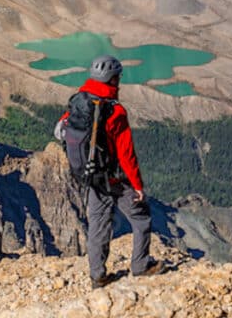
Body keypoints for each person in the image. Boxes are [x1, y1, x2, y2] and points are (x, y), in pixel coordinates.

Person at [60, 54, 163, 287]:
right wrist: (137, 186)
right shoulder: (115, 112)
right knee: (141, 218)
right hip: (115, 179)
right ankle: (140, 266)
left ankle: (98, 276)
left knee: (97, 226)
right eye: (118, 78)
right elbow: (126, 154)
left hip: (91, 176)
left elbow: (62, 129)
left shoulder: (79, 101)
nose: (119, 82)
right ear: (112, 79)